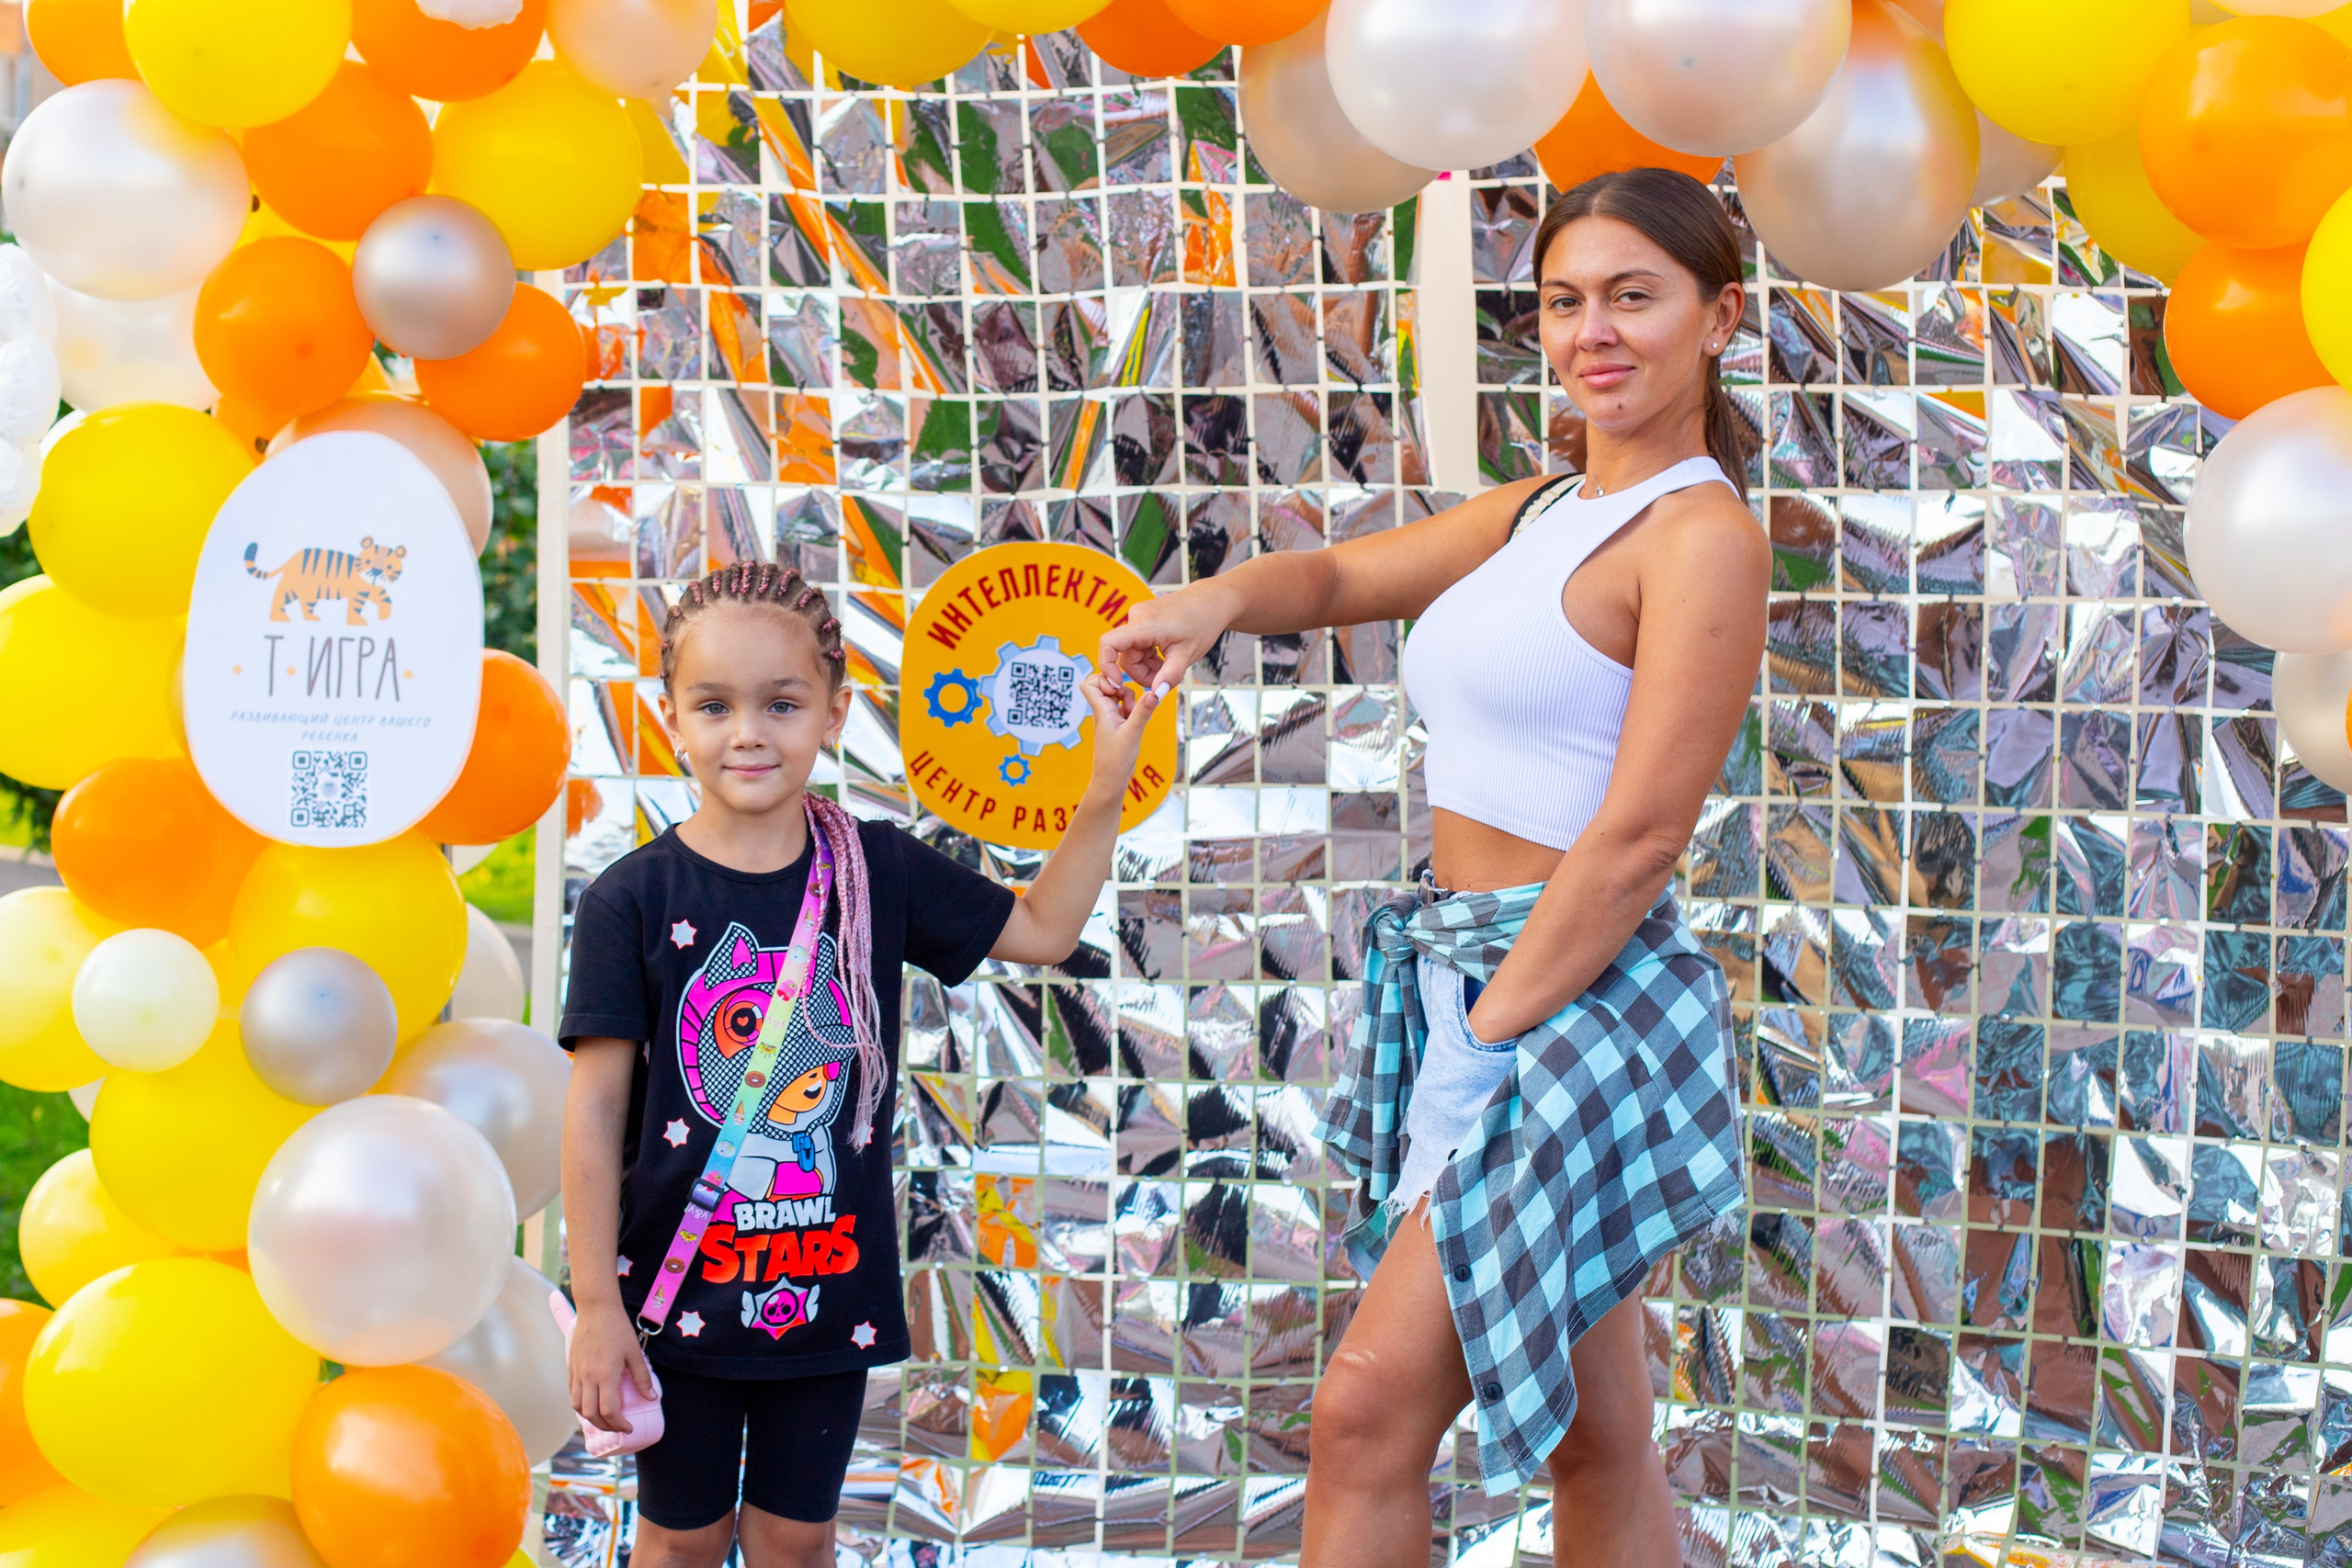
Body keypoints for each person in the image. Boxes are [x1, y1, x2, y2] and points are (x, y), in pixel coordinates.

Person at [1100, 167, 1766, 1567]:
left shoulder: (1701, 536)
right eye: (1567, 300)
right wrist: (1204, 602)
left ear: (1720, 318)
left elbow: (1640, 836)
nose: (1594, 331)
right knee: (1599, 1433)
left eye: (1634, 297)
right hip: (1484, 975)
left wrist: (1486, 1039)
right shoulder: (1539, 510)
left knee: (1361, 1414)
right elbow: (1340, 583)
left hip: (1565, 1001)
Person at [560, 559, 1159, 1568]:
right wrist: (596, 1308)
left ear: (834, 714)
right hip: (672, 1305)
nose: (747, 732)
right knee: (682, 1546)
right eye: (714, 705)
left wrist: (1105, 783)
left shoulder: (875, 869)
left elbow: (1046, 929)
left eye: (781, 704)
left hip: (824, 1295)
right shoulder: (629, 897)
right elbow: (589, 1115)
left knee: (797, 1544)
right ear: (670, 718)